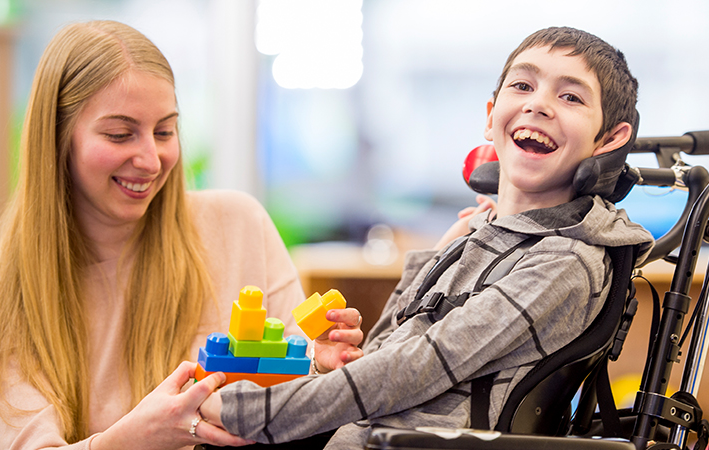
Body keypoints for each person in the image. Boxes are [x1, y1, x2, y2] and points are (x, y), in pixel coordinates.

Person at [199, 26, 656, 449]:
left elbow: (418, 367)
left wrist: (247, 413)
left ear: (609, 141)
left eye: (571, 96)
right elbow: (381, 354)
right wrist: (439, 255)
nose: (538, 103)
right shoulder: (482, 236)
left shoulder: (565, 260)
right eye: (523, 85)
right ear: (491, 115)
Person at [0, 20, 331, 450]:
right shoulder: (10, 290)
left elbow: (301, 402)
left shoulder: (239, 224)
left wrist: (323, 368)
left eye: (165, 131)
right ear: (58, 140)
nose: (152, 160)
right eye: (120, 134)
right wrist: (129, 440)